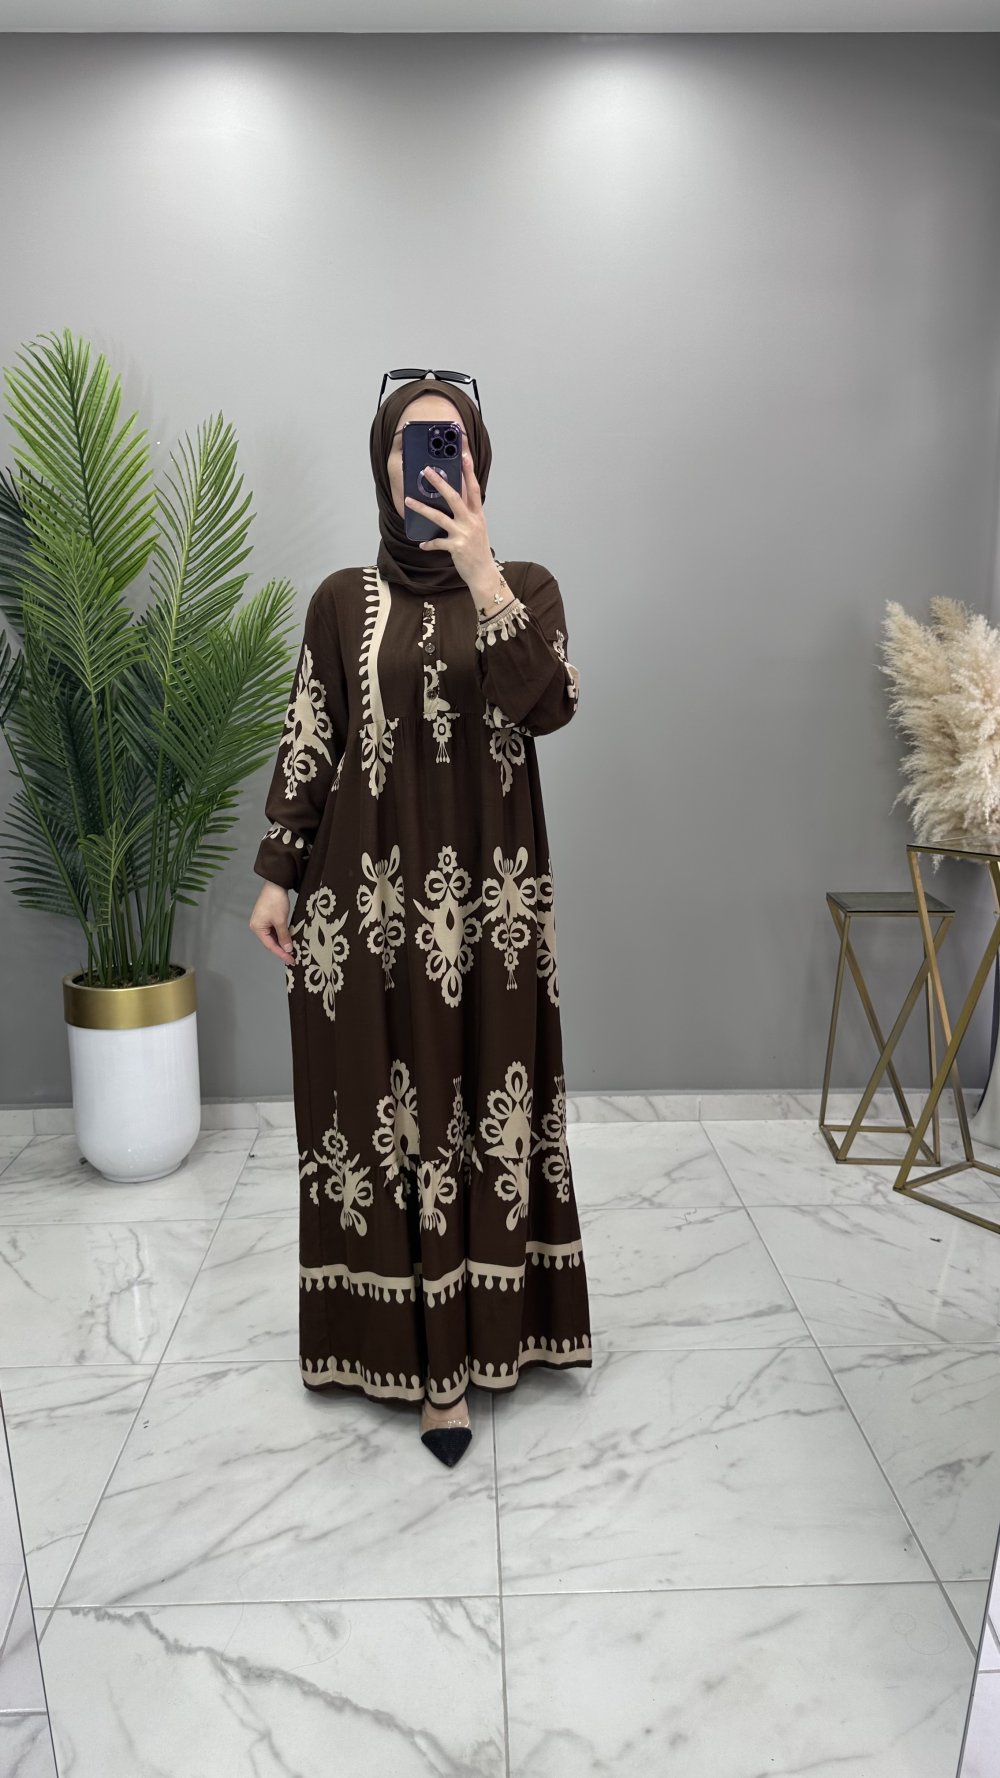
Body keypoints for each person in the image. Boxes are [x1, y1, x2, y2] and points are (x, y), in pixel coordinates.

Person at [248, 374, 593, 1467]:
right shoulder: (338, 600)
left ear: (477, 459)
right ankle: (415, 1362)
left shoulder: (526, 586)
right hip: (366, 909)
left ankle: (479, 1347)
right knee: (380, 1114)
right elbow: (313, 736)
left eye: (450, 441)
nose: (431, 458)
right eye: (411, 442)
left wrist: (481, 573)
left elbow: (548, 704)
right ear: (383, 464)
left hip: (490, 912)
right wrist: (277, 873)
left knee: (483, 1106)